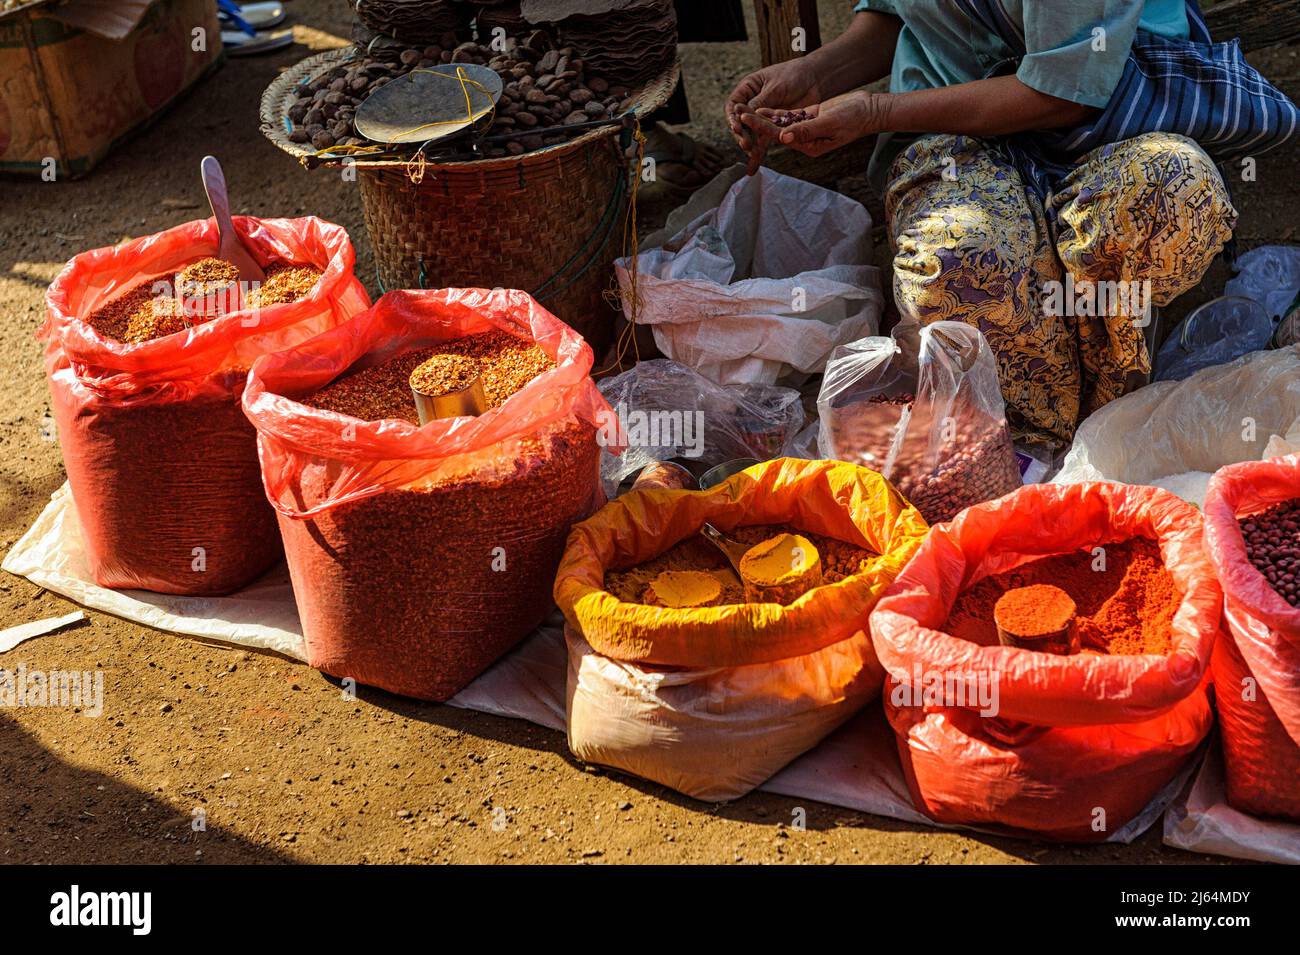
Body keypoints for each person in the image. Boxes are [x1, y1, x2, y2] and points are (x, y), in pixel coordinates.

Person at [726, 1, 1294, 450]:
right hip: (954, 143)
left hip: (1106, 122)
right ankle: (1038, 440)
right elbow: (896, 14)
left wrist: (875, 112)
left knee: (1171, 191)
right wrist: (813, 73)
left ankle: (1114, 405)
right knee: (956, 264)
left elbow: (1059, 92)